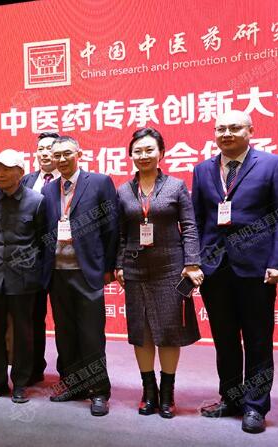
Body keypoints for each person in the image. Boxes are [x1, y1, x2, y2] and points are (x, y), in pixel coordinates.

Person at [193, 110, 278, 434]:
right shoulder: (202, 170)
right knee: (225, 339)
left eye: (234, 128)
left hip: (256, 268)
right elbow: (197, 221)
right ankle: (230, 398)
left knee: (257, 340)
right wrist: (195, 260)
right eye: (220, 128)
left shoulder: (270, 164)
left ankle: (255, 406)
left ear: (250, 131)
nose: (226, 133)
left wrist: (276, 261)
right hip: (215, 269)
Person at [115, 128, 204, 418]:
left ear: (161, 153)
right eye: (137, 151)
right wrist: (119, 264)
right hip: (135, 268)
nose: (143, 155)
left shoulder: (176, 186)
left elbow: (189, 227)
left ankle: (167, 392)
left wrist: (192, 262)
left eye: (149, 149)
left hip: (170, 268)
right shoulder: (123, 191)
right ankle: (148, 391)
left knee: (168, 332)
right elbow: (121, 233)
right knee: (141, 333)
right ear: (131, 155)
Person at [41, 136, 118, 416]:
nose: (61, 159)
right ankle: (72, 384)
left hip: (88, 271)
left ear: (79, 154)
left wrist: (108, 267)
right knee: (65, 333)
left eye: (67, 154)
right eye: (57, 155)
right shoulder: (49, 189)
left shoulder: (99, 182)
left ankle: (98, 391)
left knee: (91, 334)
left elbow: (112, 228)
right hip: (57, 272)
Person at [0, 149, 45, 404]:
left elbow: (42, 239)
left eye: (6, 169)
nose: (0, 174)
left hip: (24, 276)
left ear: (20, 173)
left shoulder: (36, 201)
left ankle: (20, 382)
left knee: (23, 332)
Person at [20, 131, 59, 384]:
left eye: (50, 148)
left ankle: (69, 372)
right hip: (31, 262)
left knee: (65, 320)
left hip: (62, 260)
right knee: (32, 317)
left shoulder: (68, 181)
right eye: (41, 148)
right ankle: (33, 367)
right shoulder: (26, 180)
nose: (45, 153)